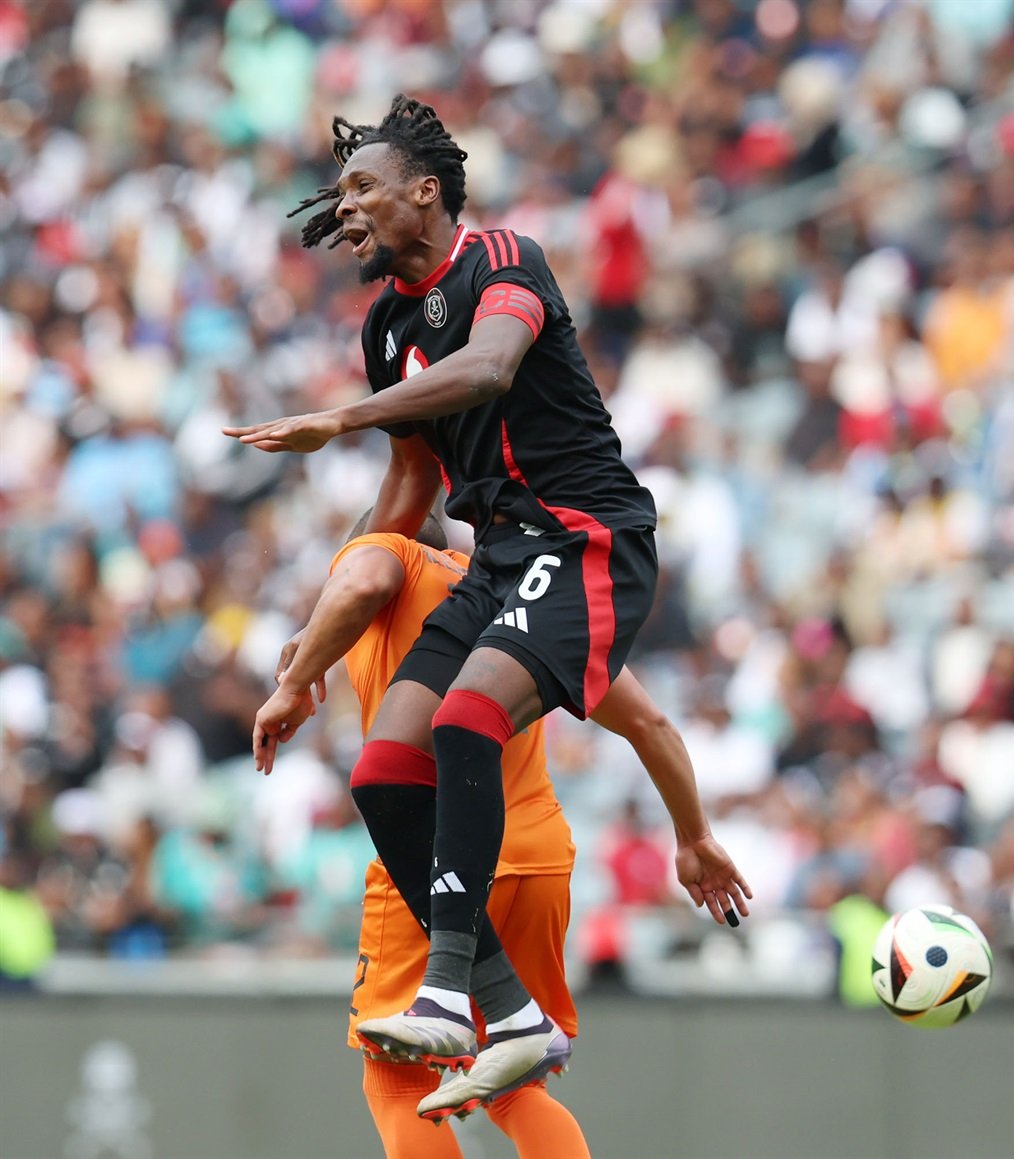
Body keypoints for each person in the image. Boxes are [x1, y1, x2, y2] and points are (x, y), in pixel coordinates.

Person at [224, 92, 663, 1104]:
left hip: (587, 540)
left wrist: (337, 418)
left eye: (365, 186)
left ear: (426, 192)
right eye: (340, 192)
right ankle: (509, 1015)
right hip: (499, 562)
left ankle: (447, 992)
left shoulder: (504, 262)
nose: (348, 207)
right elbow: (410, 493)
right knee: (383, 772)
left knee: (467, 719)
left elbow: (490, 366)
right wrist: (305, 658)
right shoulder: (386, 328)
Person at [253, 516, 751, 1150]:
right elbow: (650, 723)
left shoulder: (386, 562)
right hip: (538, 858)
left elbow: (361, 583)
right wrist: (693, 835)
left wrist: (299, 668)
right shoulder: (519, 599)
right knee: (517, 1085)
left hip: (432, 860)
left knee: (398, 1082)